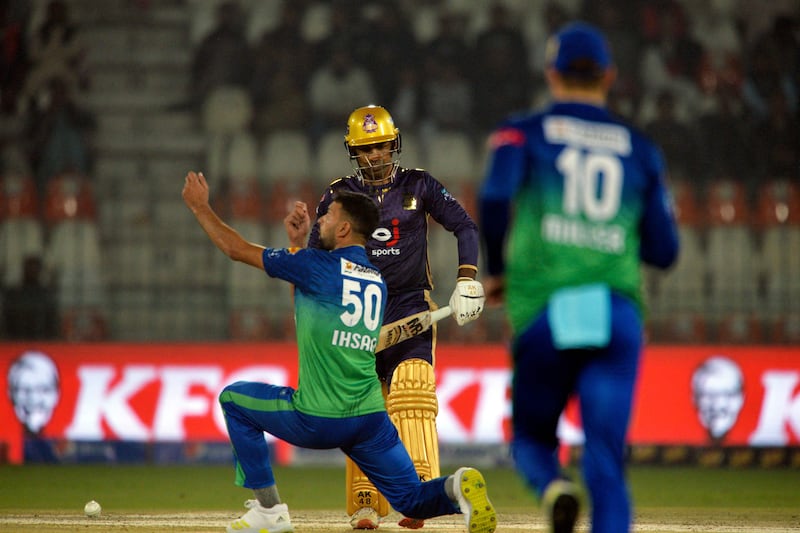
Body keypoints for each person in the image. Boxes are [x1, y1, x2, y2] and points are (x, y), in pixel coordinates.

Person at [181, 171, 496, 533]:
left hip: (317, 418)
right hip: (368, 421)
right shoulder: (375, 280)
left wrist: (200, 208)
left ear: (344, 229)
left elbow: (236, 250)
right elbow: (305, 305)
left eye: (328, 216)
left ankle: (269, 512)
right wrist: (298, 243)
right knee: (410, 498)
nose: (322, 221)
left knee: (234, 399)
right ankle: (456, 487)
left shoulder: (317, 266)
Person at [478, 22, 679, 533]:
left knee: (530, 439)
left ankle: (553, 487)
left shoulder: (521, 132)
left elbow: (496, 198)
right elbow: (665, 250)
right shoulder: (641, 149)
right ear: (609, 76)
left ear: (552, 73)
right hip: (615, 313)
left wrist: (499, 272)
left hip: (548, 309)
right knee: (606, 459)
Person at [303, 104, 485, 530]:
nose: (376, 157)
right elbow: (315, 258)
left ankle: (421, 492)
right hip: (358, 309)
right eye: (367, 149)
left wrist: (467, 280)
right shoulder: (338, 196)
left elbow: (465, 227)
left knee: (413, 387)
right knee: (360, 404)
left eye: (382, 146)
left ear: (394, 144)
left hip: (409, 303)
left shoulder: (419, 185)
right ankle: (365, 501)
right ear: (353, 151)